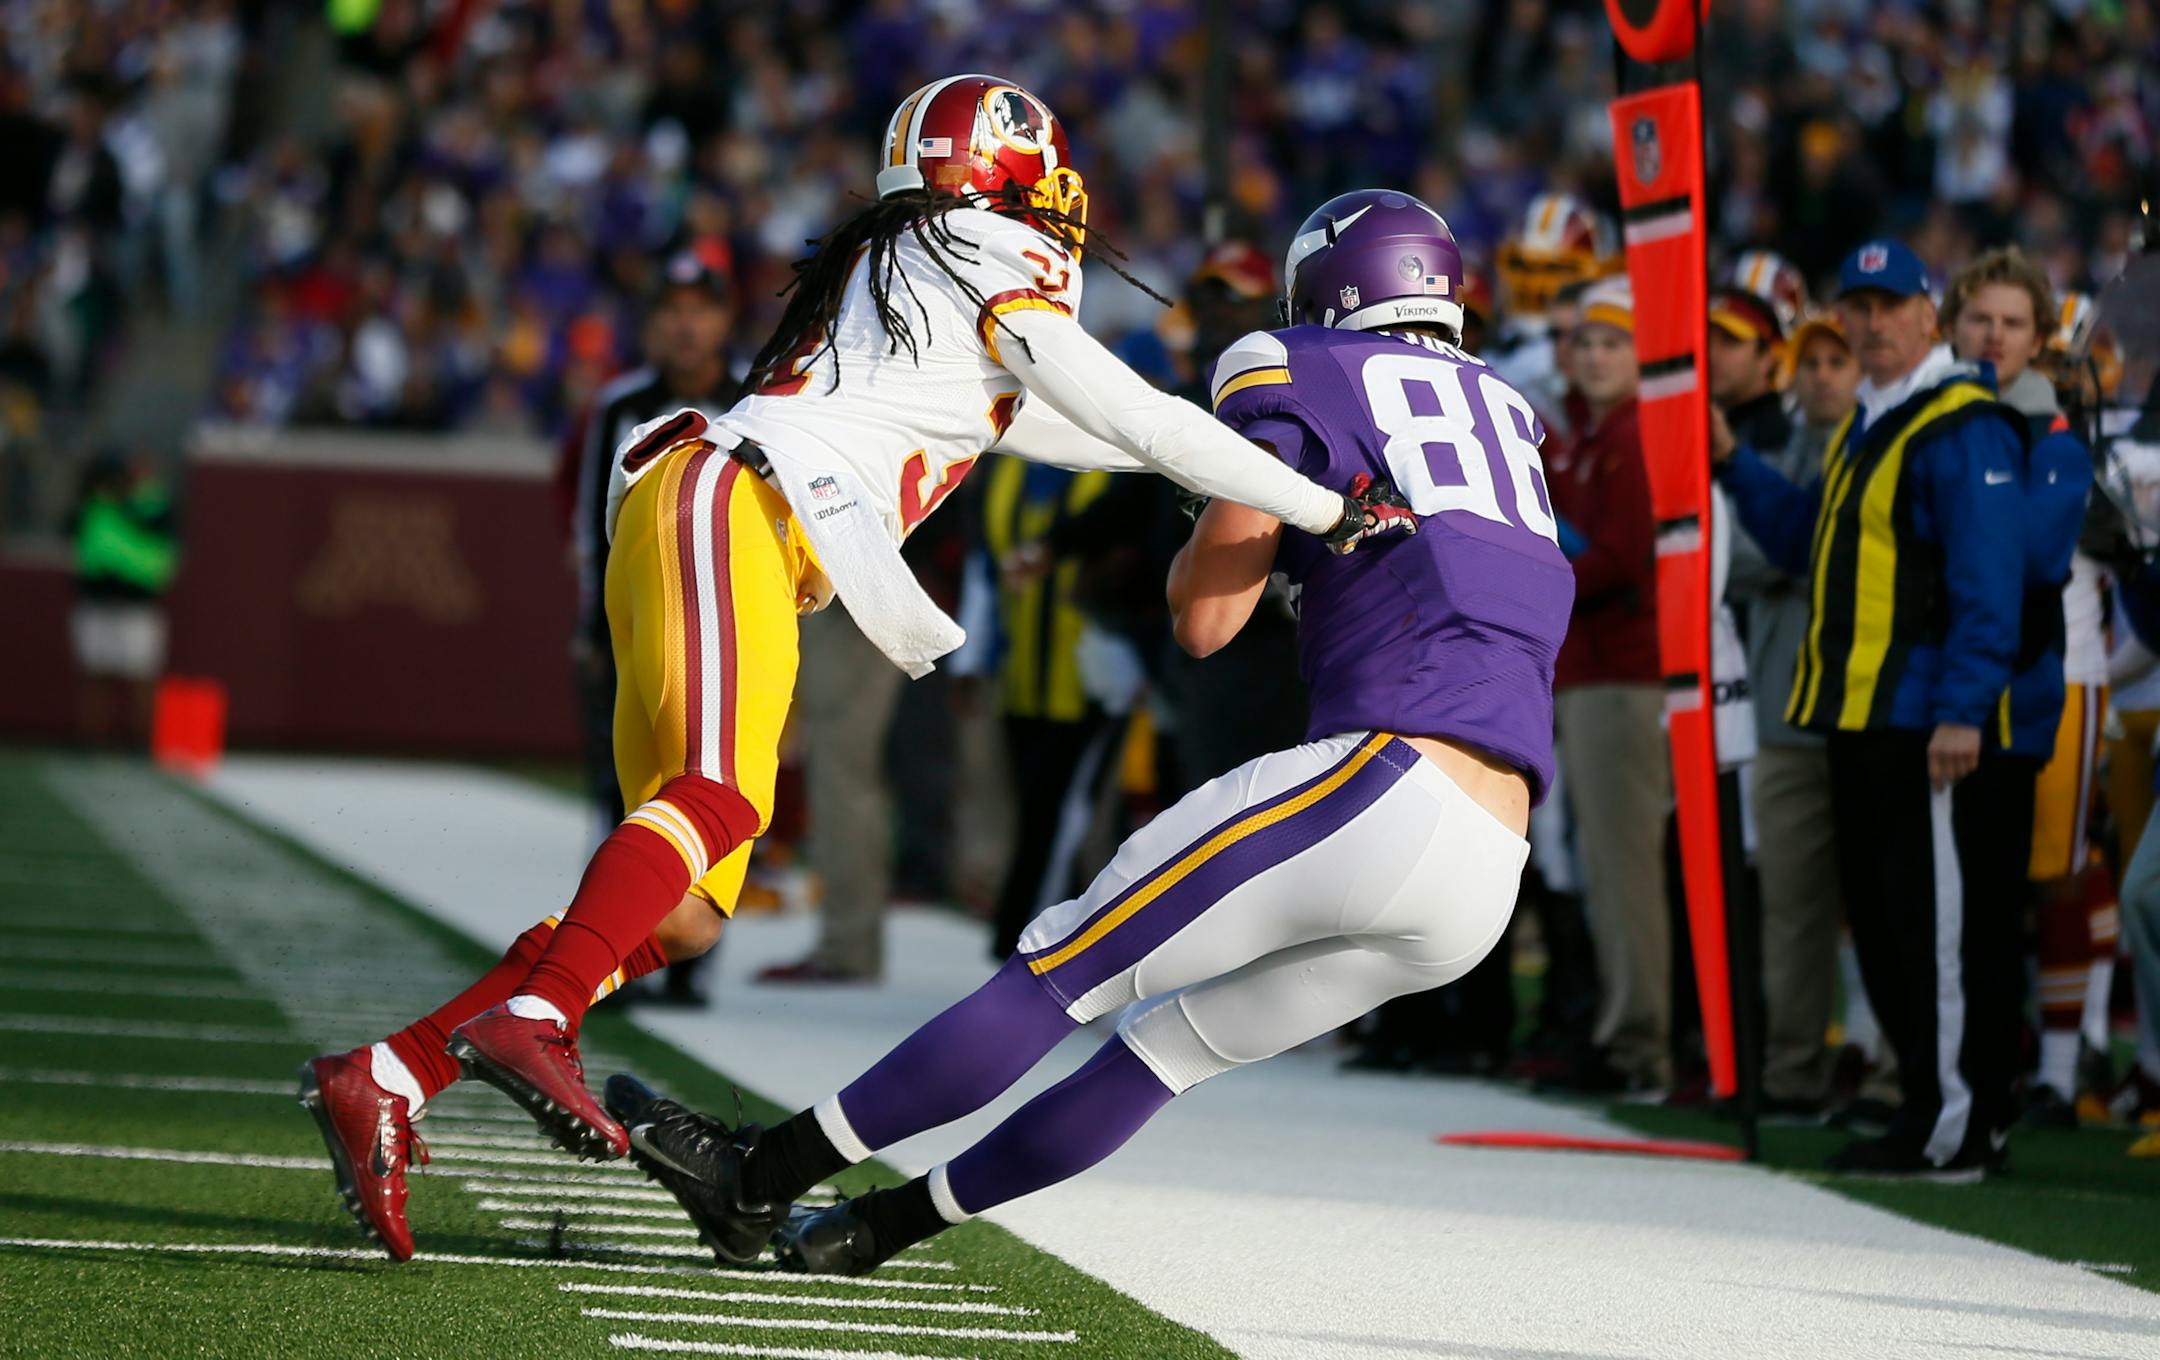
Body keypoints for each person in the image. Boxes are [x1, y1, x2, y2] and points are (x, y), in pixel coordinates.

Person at [297, 75, 1409, 1262]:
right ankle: (535, 1011)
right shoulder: (983, 244)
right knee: (717, 797)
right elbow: (1128, 409)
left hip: (719, 516)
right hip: (739, 507)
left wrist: (1203, 464)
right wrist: (1326, 508)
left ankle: (394, 1072)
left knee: (679, 916)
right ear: (998, 182)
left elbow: (1075, 425)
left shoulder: (929, 264)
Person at [605, 188, 1572, 1277]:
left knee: (1058, 973)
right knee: (1161, 1056)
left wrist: (1211, 529)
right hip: (1491, 864)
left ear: (1329, 292)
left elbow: (1206, 621)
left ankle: (758, 1177)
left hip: (1387, 783)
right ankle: (871, 1230)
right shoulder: (1512, 414)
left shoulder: (1301, 365)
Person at [1715, 239, 2036, 1179]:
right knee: (1892, 926)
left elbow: (1989, 579)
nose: (1873, 322)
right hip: (1858, 717)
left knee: (1936, 932)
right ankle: (1928, 1111)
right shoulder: (1872, 419)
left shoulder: (1961, 423)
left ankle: (1955, 1124)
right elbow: (1810, 540)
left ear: (1929, 315)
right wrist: (1733, 460)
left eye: (1892, 305)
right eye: (1858, 306)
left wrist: (1965, 707)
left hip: (1922, 718)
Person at [1942, 246, 2108, 1128]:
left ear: (2040, 340)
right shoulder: (1931, 420)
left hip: (2024, 693)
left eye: (2012, 324)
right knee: (1937, 904)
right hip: (1934, 694)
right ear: (1953, 325)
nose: (1993, 336)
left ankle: (2023, 1082)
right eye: (1979, 319)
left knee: (2023, 893)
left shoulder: (2052, 438)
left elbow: (2041, 559)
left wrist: (1963, 511)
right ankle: (1936, 1081)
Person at [562, 248, 740, 1004]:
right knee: (629, 793)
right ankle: (626, 953)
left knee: (713, 791)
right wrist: (589, 626)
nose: (686, 326)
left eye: (699, 310)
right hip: (634, 625)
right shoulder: (618, 406)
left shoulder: (756, 400)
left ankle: (693, 957)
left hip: (725, 622)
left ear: (724, 320)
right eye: (671, 311)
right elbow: (585, 528)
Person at [1541, 276, 1673, 1095]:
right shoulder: (1593, 433)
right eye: (1585, 341)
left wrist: (1538, 575)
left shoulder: (1637, 433)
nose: (1593, 355)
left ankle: (1639, 1043)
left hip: (1624, 672)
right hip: (1591, 670)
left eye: (1613, 342)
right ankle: (1620, 1028)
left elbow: (1626, 560)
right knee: (1601, 866)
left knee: (1625, 869)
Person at [1724, 310, 1856, 1117]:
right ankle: (1794, 1069)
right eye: (1812, 362)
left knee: (1876, 908)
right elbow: (1741, 560)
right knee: (1792, 910)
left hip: (1861, 712)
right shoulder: (1778, 453)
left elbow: (1782, 550)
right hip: (1782, 709)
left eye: (1838, 361)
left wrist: (1778, 549)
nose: (1823, 376)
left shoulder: (1865, 448)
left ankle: (1879, 1072)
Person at [69, 453, 177, 747]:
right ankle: (90, 742)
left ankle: (145, 745)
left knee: (142, 680)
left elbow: (157, 525)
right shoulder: (97, 506)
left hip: (138, 607)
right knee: (95, 676)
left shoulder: (151, 506)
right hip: (98, 604)